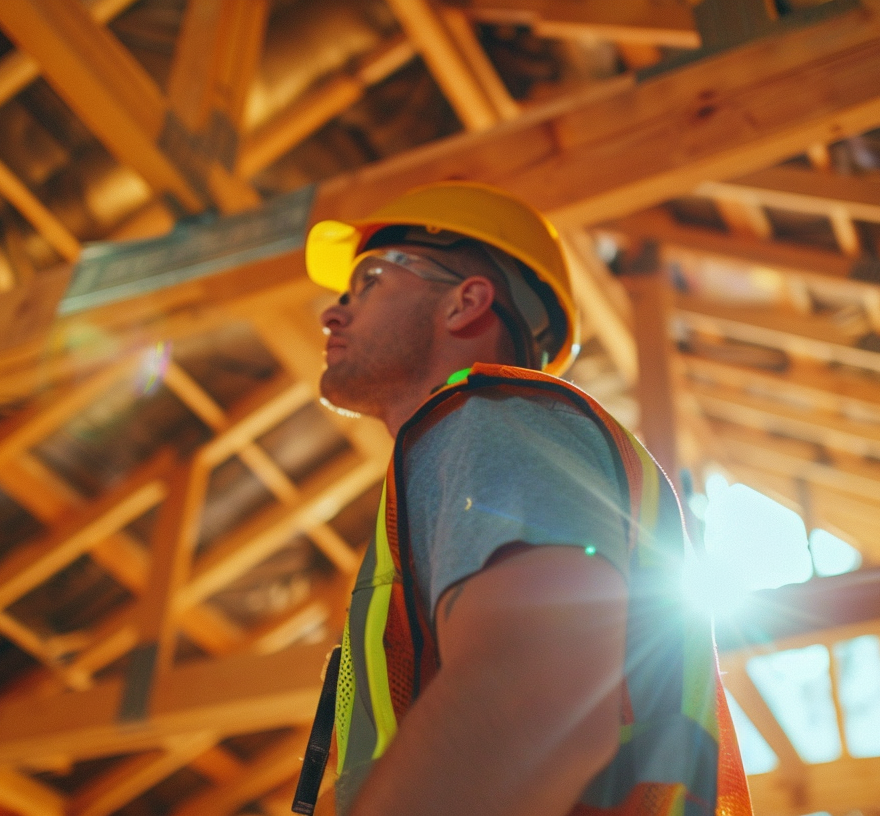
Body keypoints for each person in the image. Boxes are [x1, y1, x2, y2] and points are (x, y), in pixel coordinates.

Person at [291, 182, 751, 816]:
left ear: (466, 303)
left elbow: (533, 703)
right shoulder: (480, 445)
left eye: (369, 280)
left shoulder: (490, 421)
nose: (332, 313)